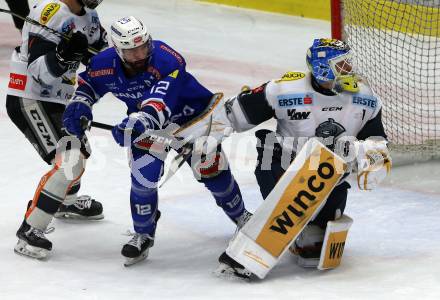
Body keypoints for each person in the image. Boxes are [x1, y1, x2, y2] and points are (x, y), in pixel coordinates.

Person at [184, 38, 391, 279]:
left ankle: (305, 225)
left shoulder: (365, 97)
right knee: (269, 147)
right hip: (283, 165)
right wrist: (204, 135)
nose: (348, 69)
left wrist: (374, 157)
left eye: (347, 63)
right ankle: (265, 233)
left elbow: (376, 139)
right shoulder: (284, 89)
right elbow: (234, 114)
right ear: (323, 68)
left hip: (327, 173)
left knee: (313, 248)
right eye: (341, 64)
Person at [62, 16, 251, 265]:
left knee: (210, 167)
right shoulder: (104, 63)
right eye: (132, 51)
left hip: (191, 119)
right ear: (118, 51)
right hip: (145, 123)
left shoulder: (166, 59)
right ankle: (143, 233)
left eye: (144, 46)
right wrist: (80, 104)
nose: (140, 54)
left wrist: (137, 123)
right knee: (143, 177)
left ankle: (243, 219)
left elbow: (159, 101)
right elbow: (89, 84)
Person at [6, 0, 108, 259]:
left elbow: (104, 60)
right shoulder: (48, 12)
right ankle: (30, 231)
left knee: (79, 149)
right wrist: (63, 55)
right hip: (29, 97)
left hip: (60, 99)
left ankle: (65, 201)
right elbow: (39, 72)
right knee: (70, 160)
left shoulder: (91, 18)